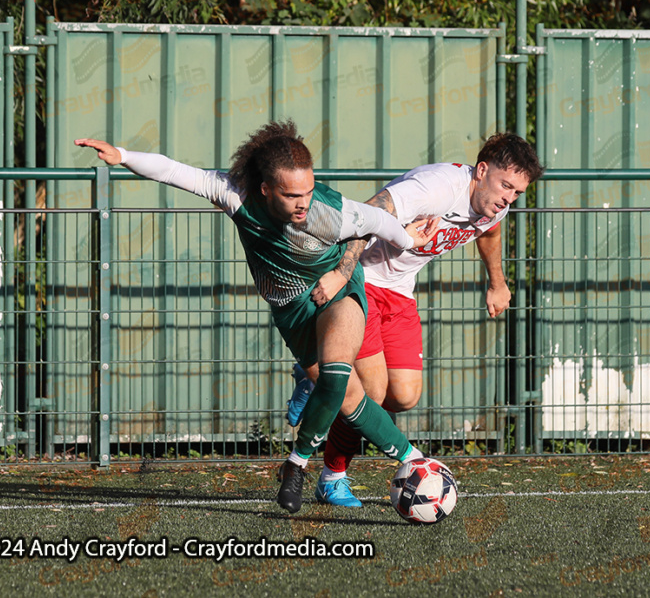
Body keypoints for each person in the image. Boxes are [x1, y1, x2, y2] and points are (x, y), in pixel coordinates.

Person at [75, 121, 439, 514]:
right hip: (291, 311)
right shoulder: (238, 196)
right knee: (350, 399)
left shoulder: (331, 213)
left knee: (336, 378)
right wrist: (124, 157)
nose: (303, 203)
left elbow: (379, 221)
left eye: (309, 191)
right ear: (266, 189)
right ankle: (408, 453)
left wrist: (408, 240)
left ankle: (303, 465)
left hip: (337, 294)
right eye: (291, 194)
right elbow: (176, 171)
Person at [286, 133, 543, 507]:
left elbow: (491, 229)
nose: (509, 198)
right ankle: (332, 475)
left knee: (403, 396)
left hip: (400, 292)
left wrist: (497, 283)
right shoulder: (436, 188)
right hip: (363, 281)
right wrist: (343, 273)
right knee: (370, 392)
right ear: (482, 170)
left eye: (517, 193)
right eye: (506, 186)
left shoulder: (494, 203)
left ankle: (325, 377)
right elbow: (371, 209)